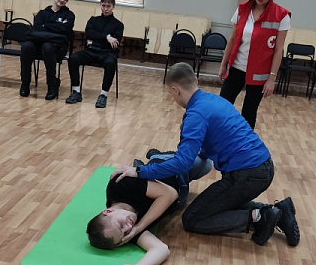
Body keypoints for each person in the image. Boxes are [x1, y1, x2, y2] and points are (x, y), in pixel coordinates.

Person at [111, 62, 300, 247]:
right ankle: (279, 212)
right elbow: (220, 136)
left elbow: (182, 163)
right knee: (217, 203)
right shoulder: (213, 99)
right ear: (196, 80)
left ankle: (261, 217)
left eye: (170, 93)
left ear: (175, 90)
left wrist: (139, 171)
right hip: (263, 166)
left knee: (192, 218)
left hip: (247, 175)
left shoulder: (195, 115)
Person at [88, 150, 213, 265]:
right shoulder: (129, 232)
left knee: (206, 164)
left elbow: (170, 194)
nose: (128, 226)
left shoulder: (119, 184)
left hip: (170, 167)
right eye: (124, 233)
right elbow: (161, 249)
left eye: (121, 225)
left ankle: (156, 156)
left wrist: (140, 227)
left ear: (108, 211)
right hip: (182, 188)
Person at [218, 0, 291, 129]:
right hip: (236, 67)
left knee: (249, 113)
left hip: (259, 73)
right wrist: (223, 64)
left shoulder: (282, 16)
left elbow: (278, 50)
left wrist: (271, 79)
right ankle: (218, 140)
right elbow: (232, 39)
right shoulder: (242, 8)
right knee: (222, 108)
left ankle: (245, 143)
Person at [65, 0, 124, 108]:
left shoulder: (118, 25)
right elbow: (89, 33)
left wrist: (95, 40)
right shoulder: (93, 20)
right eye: (103, 5)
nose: (105, 9)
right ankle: (76, 91)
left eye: (108, 6)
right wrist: (107, 37)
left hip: (107, 53)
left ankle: (103, 95)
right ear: (100, 5)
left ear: (113, 6)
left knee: (110, 63)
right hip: (91, 51)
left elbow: (115, 43)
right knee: (73, 58)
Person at [20, 0, 75, 99]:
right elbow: (37, 29)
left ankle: (52, 86)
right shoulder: (42, 13)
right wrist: (57, 26)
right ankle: (25, 83)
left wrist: (46, 26)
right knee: (26, 46)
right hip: (39, 44)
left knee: (47, 47)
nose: (62, 0)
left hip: (57, 48)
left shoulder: (69, 15)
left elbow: (65, 30)